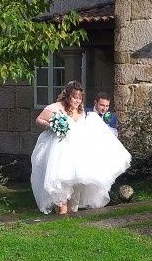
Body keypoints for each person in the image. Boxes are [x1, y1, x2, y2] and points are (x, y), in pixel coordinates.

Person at [31, 81, 131, 215]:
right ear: (68, 97)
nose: (77, 101)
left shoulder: (81, 111)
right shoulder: (57, 107)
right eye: (74, 97)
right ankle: (61, 214)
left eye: (79, 98)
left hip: (76, 156)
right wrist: (53, 126)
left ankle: (71, 218)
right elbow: (39, 120)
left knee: (76, 189)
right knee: (61, 186)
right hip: (60, 154)